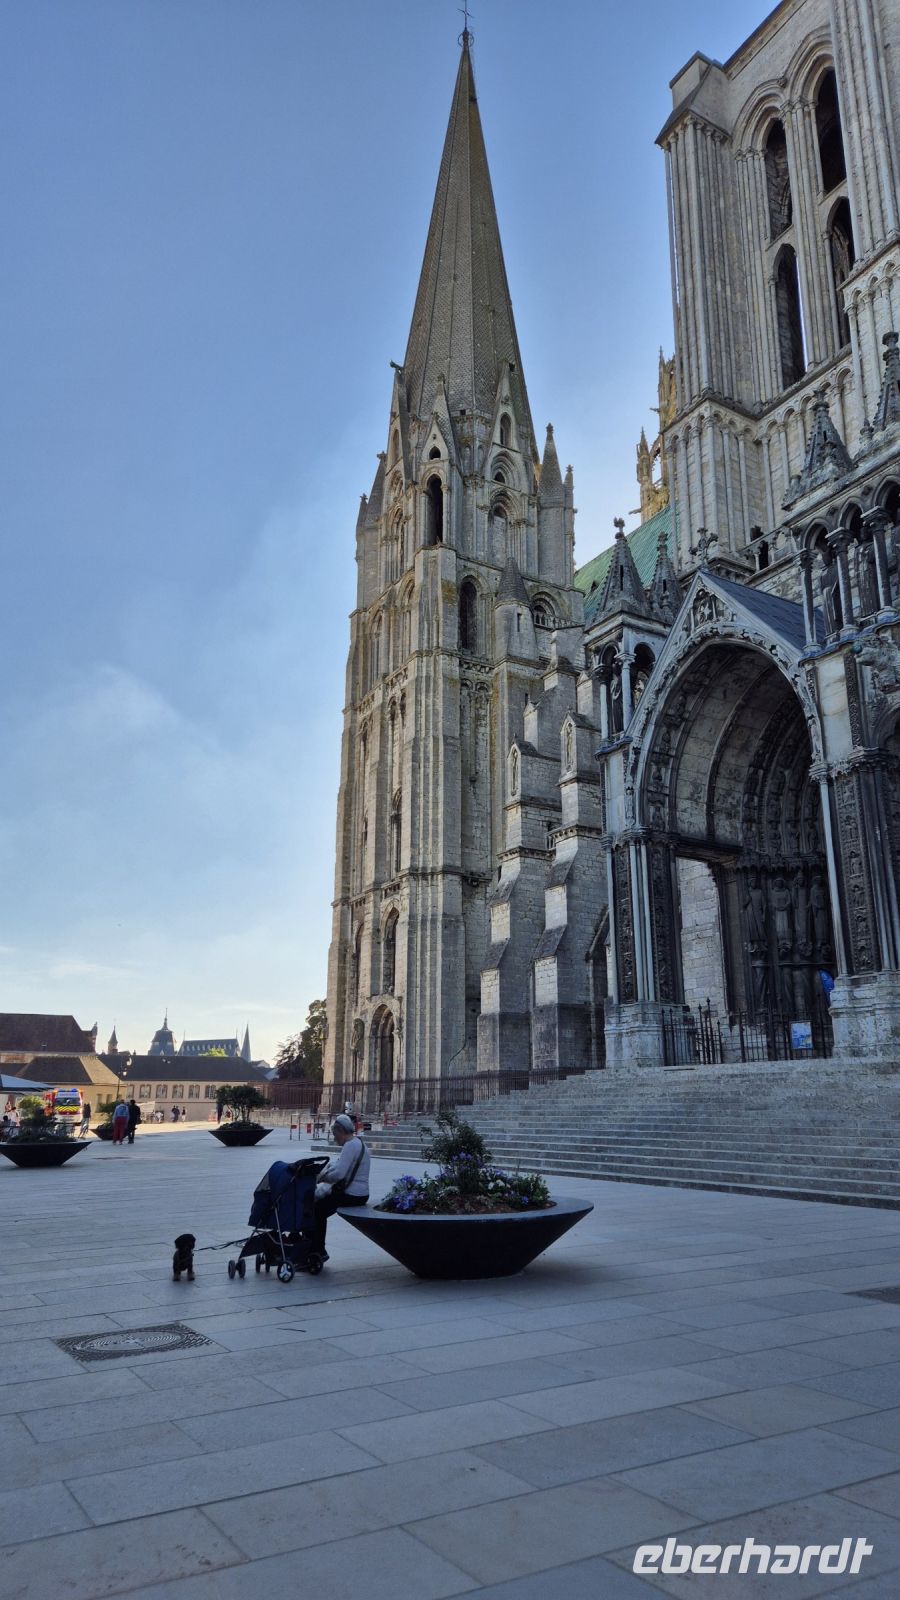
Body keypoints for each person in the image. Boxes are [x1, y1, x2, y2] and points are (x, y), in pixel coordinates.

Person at [312, 1114, 370, 1261]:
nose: (334, 1138)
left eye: (335, 1134)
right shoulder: (359, 1143)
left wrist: (321, 1177)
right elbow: (340, 1167)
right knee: (320, 1207)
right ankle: (316, 1248)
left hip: (352, 1194)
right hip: (362, 1193)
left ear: (341, 1131)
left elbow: (339, 1174)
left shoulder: (350, 1146)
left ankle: (318, 1250)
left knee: (318, 1210)